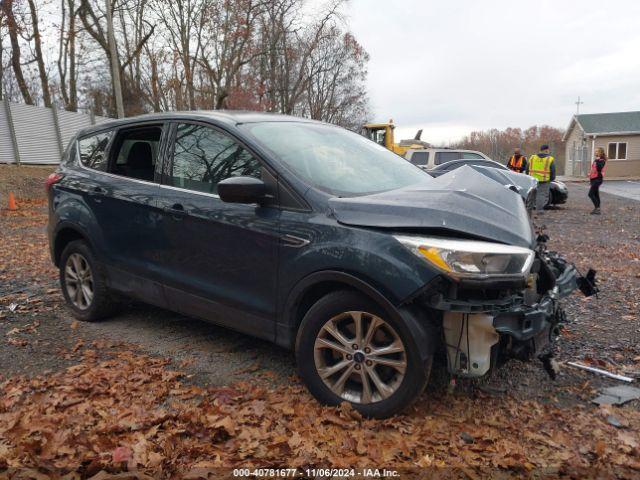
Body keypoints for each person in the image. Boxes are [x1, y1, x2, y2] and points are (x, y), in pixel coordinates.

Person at [528, 144, 556, 213]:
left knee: (531, 194)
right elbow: (553, 170)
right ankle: (539, 210)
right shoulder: (549, 159)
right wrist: (552, 179)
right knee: (541, 195)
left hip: (532, 180)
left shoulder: (532, 157)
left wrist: (528, 176)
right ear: (546, 150)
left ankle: (528, 209)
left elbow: (527, 168)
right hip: (544, 180)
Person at [588, 147, 607, 214]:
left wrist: (597, 161)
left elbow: (599, 168)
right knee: (596, 194)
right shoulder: (596, 160)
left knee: (590, 194)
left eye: (597, 151)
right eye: (595, 151)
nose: (595, 152)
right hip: (593, 179)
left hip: (598, 179)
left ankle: (597, 208)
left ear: (600, 153)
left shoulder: (602, 160)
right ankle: (597, 209)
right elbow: (594, 169)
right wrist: (590, 175)